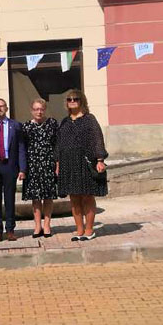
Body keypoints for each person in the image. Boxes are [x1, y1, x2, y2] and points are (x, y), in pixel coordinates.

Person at [56, 89, 108, 241]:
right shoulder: (64, 122)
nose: (72, 101)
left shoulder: (89, 119)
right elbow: (59, 144)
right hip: (68, 163)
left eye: (76, 99)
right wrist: (57, 163)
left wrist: (100, 159)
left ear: (82, 101)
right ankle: (79, 229)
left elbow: (97, 138)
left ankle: (89, 230)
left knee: (87, 196)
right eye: (69, 99)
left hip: (85, 162)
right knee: (74, 197)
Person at [0, 98, 27, 241]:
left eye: (2, 106)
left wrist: (22, 168)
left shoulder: (16, 126)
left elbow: (21, 148)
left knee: (10, 199)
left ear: (6, 108)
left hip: (10, 166)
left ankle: (10, 230)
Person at [23, 98, 59, 238]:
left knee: (48, 196)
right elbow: (23, 148)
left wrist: (57, 164)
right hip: (32, 165)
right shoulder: (26, 127)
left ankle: (47, 225)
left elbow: (57, 145)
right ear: (31, 111)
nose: (39, 112)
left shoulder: (52, 124)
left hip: (48, 164)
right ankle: (37, 226)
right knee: (35, 197)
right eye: (36, 109)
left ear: (45, 110)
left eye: (41, 109)